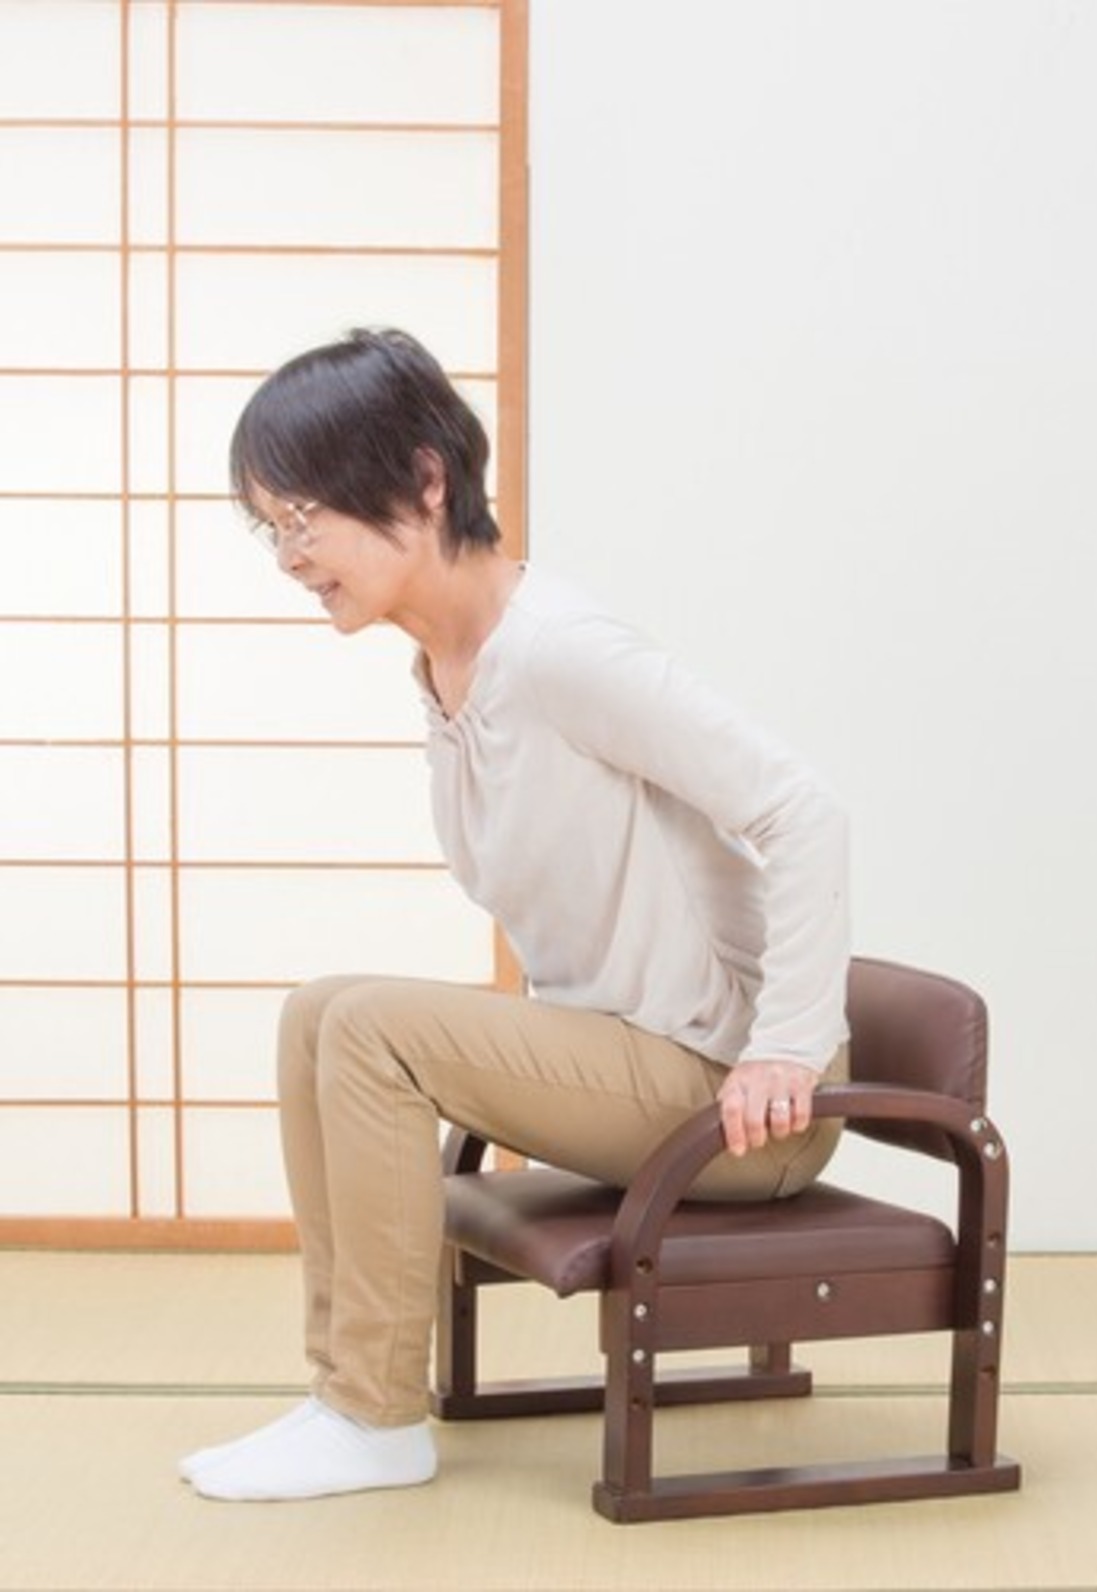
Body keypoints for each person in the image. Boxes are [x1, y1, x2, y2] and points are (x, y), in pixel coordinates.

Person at [181, 328, 850, 1502]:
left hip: (735, 1097)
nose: (289, 555)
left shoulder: (558, 652)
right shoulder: (450, 676)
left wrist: (786, 1046)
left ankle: (372, 1415)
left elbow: (801, 808)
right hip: (635, 1053)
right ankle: (344, 1393)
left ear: (424, 480)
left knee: (370, 1026)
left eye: (304, 516)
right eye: (269, 527)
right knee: (317, 1012)